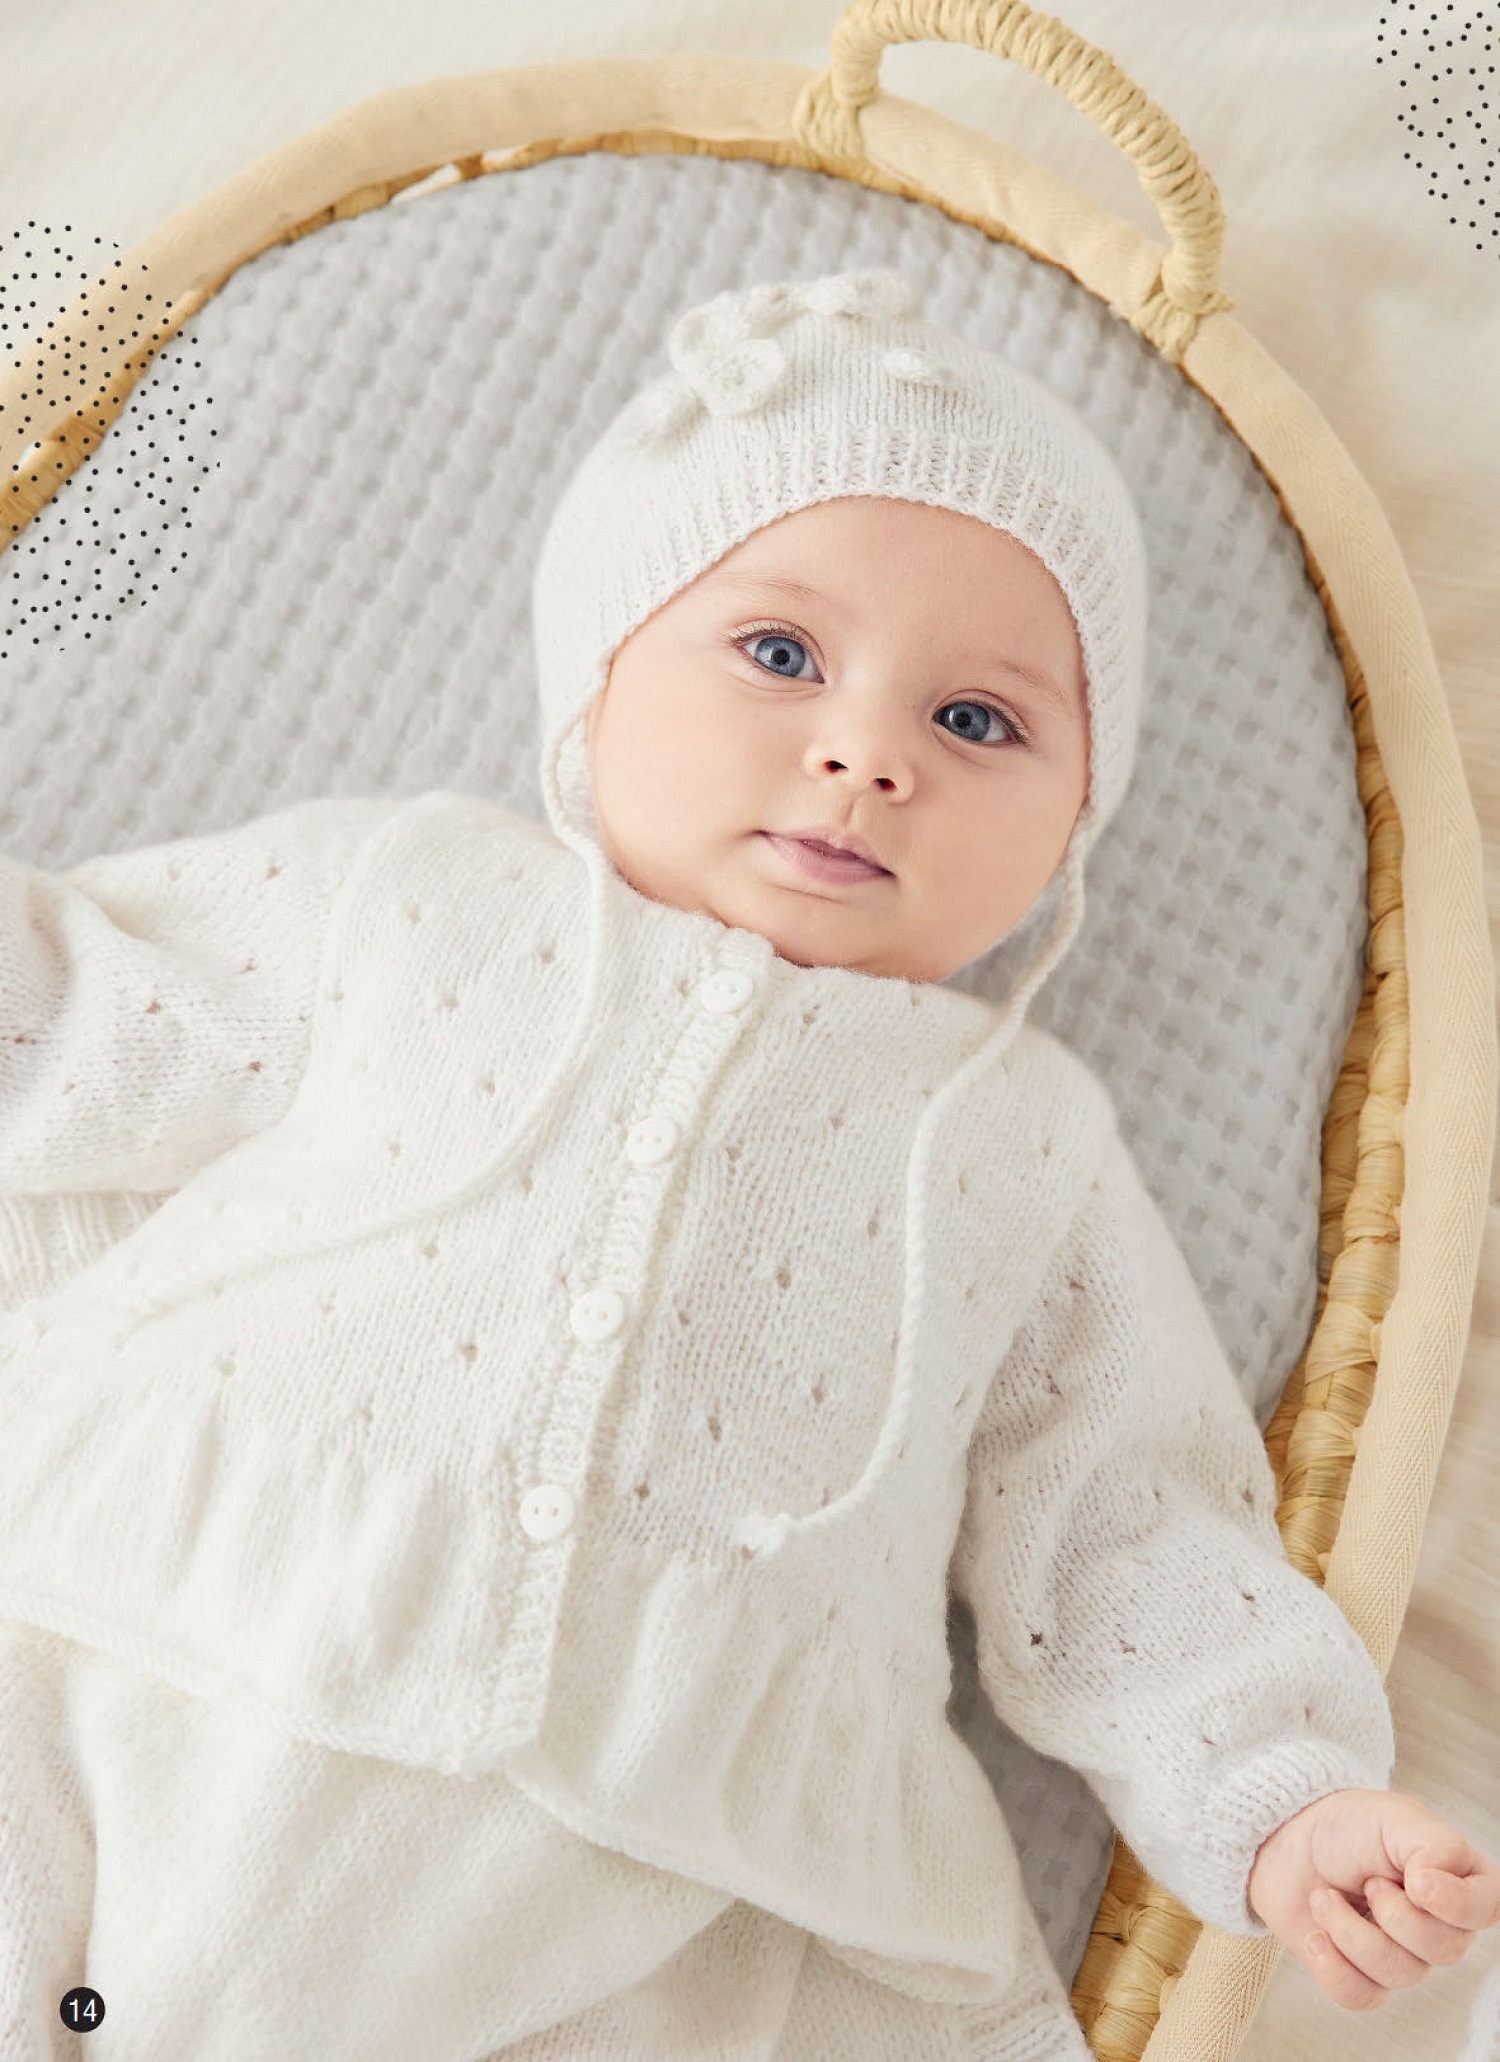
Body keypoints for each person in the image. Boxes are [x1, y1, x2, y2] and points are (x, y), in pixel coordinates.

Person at [0, 267, 1493, 2061]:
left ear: (1071, 829)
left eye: (979, 721)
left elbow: (1129, 1528)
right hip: (134, 1622)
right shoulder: (411, 892)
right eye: (779, 656)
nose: (865, 755)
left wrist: (1285, 1798)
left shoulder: (1020, 1140)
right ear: (600, 670)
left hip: (641, 1855)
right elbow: (83, 1005)